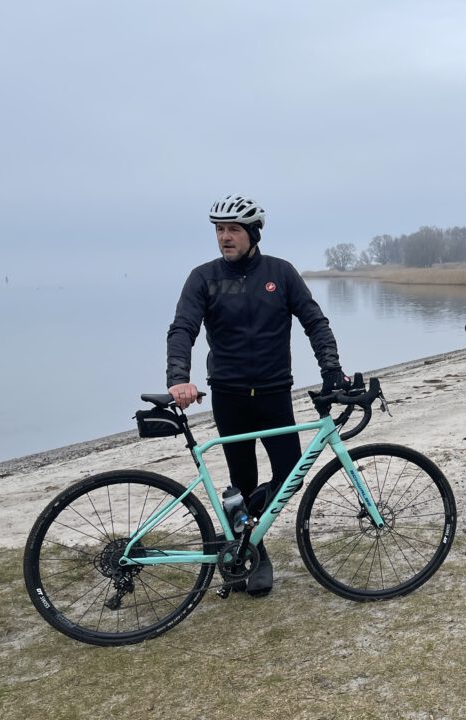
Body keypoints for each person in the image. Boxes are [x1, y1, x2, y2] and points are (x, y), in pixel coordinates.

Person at [166, 193, 345, 597]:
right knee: (242, 480)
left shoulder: (281, 274)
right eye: (219, 230)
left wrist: (331, 370)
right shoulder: (203, 277)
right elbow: (182, 329)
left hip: (273, 391)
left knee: (290, 477)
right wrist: (179, 377)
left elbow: (315, 322)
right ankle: (254, 554)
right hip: (228, 395)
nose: (224, 238)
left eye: (233, 230)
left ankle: (240, 525)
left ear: (252, 233)